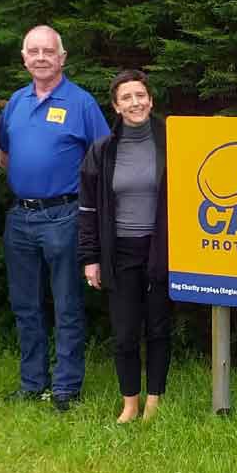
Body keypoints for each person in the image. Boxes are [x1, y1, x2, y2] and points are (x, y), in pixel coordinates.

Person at [0, 25, 109, 412]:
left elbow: (103, 161)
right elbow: (4, 155)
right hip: (20, 218)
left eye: (49, 51)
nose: (41, 57)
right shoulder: (16, 101)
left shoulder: (81, 103)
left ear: (62, 58)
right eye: (34, 51)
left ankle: (65, 387)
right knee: (25, 305)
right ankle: (32, 383)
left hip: (64, 215)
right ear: (24, 58)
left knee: (66, 306)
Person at [78, 70, 172, 423]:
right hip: (119, 252)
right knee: (125, 333)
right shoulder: (102, 150)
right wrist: (90, 258)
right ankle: (129, 403)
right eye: (127, 98)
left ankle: (154, 401)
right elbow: (87, 209)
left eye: (141, 95)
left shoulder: (172, 141)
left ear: (151, 99)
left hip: (161, 248)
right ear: (116, 107)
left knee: (159, 328)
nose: (135, 103)